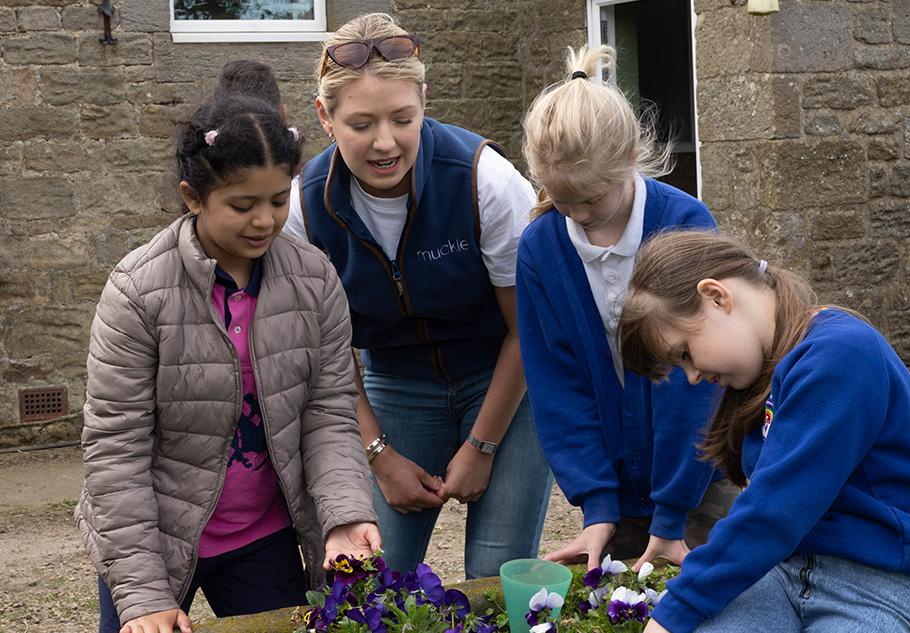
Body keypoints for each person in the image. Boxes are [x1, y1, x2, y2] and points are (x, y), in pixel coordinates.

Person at [76, 95, 380, 633]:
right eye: (243, 205)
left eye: (279, 200)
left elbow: (329, 412)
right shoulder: (136, 292)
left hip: (263, 536)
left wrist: (344, 517)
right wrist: (144, 594)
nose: (266, 221)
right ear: (193, 197)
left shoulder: (315, 279)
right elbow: (115, 449)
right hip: (154, 541)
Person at [282, 12, 552, 579]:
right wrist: (378, 456)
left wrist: (483, 445)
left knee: (495, 575)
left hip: (504, 380)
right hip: (395, 384)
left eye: (403, 119)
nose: (385, 143)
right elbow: (324, 355)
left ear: (425, 100)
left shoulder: (487, 181)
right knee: (371, 580)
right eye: (361, 124)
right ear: (324, 117)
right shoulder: (302, 209)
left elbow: (527, 329)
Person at [618, 230, 910, 633]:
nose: (692, 376)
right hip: (783, 573)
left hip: (877, 582)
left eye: (684, 353)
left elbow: (773, 511)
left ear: (716, 296)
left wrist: (676, 611)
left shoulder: (841, 354)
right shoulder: (770, 370)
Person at [516, 45, 738, 572]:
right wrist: (596, 504)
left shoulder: (685, 224)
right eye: (561, 199)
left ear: (629, 162)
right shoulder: (541, 249)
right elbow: (557, 385)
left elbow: (695, 379)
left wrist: (671, 515)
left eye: (591, 199)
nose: (577, 214)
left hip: (703, 479)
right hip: (618, 496)